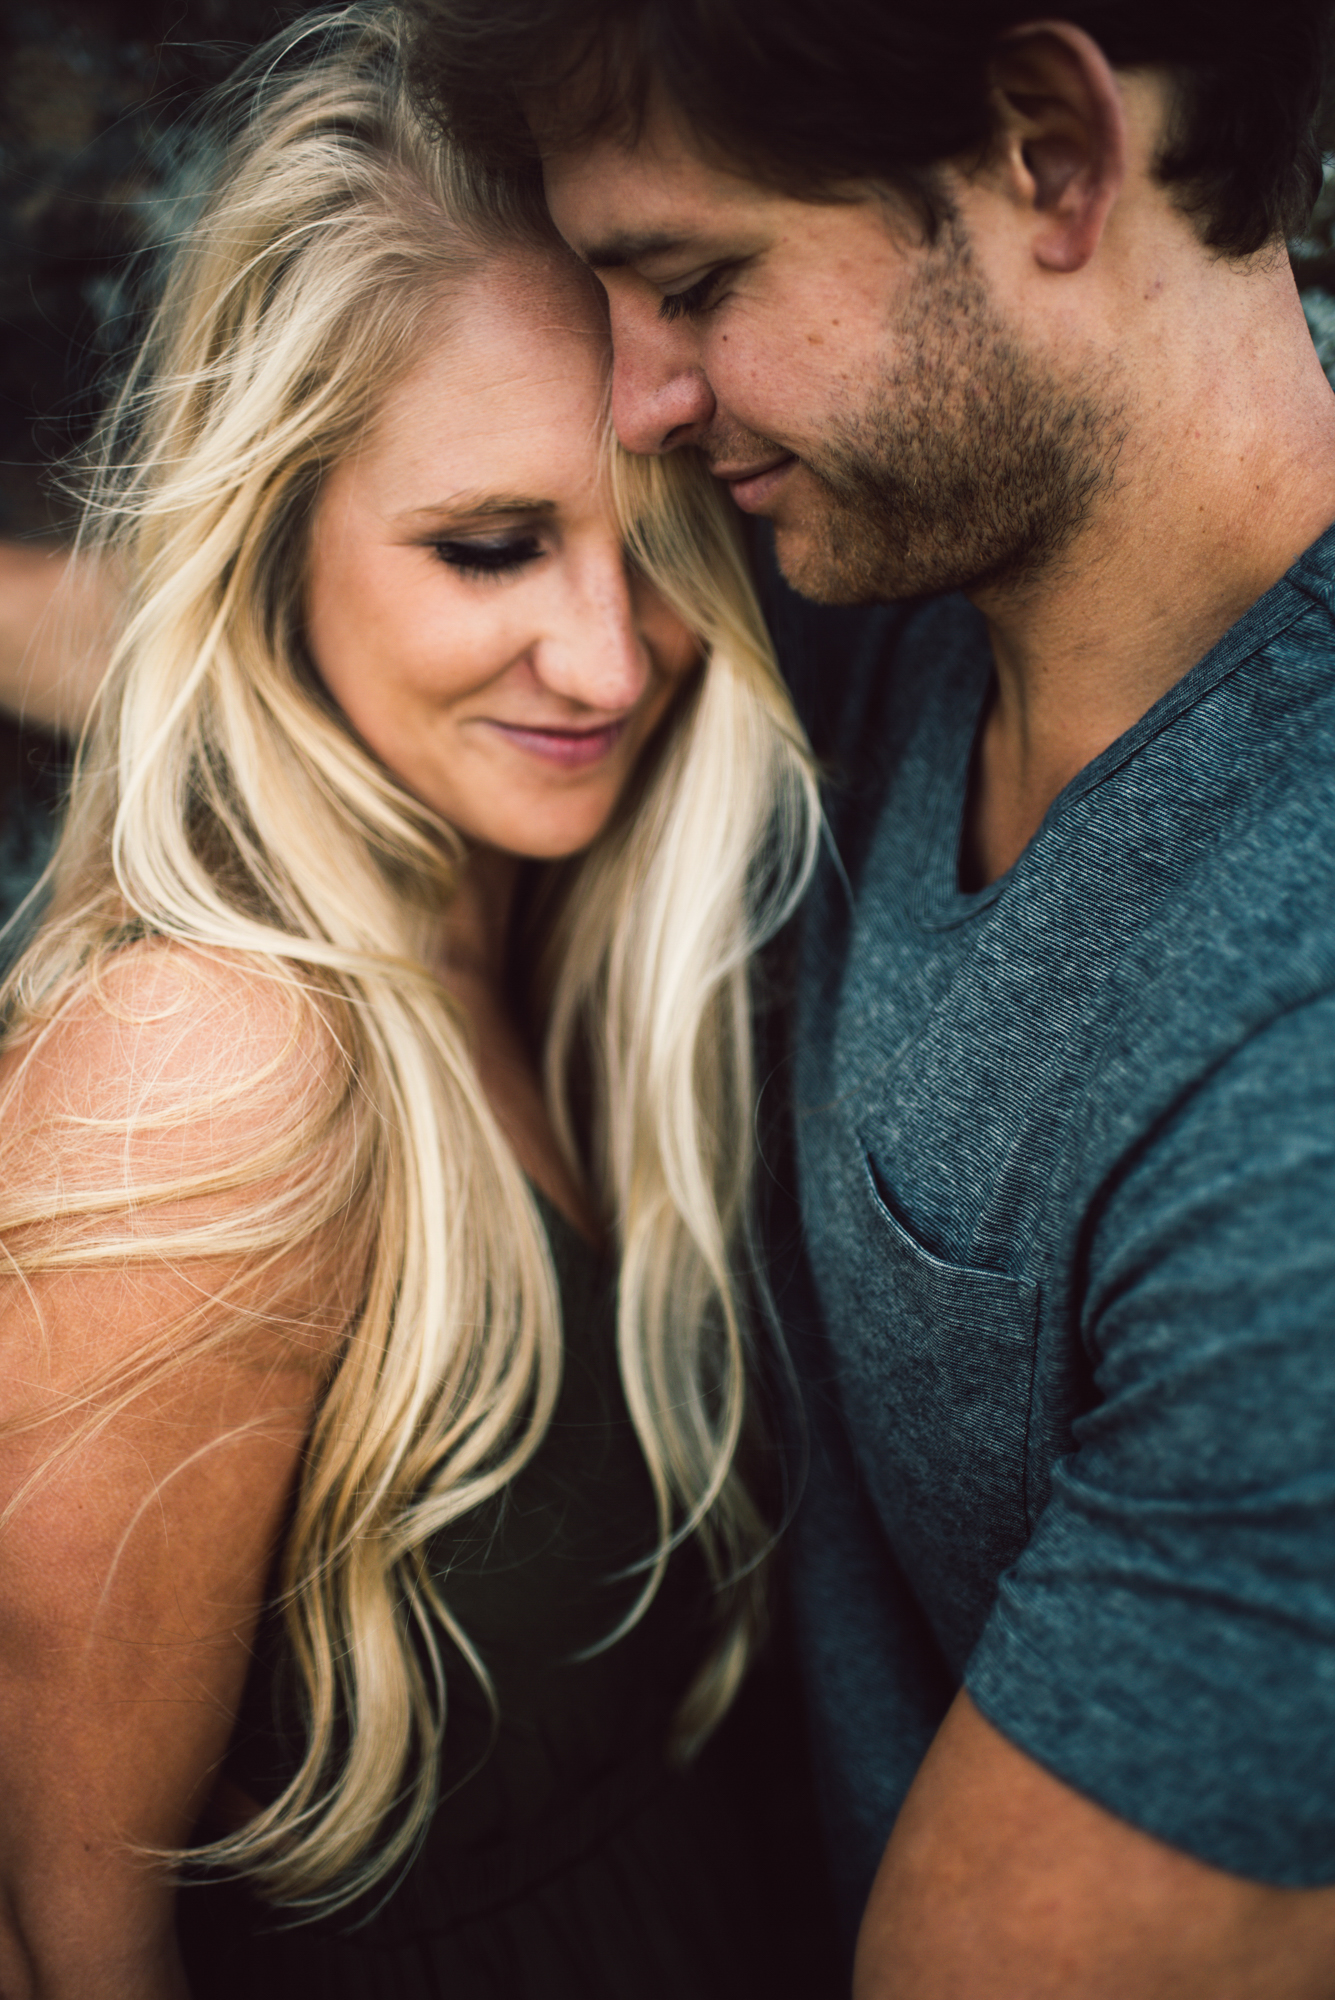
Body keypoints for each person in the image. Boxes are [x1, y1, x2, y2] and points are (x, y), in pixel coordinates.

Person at [411, 2, 1335, 1995]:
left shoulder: (1295, 1071)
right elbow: (352, 636)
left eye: (693, 281)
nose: (637, 396)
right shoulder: (907, 572)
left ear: (1043, 149)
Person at [0, 8, 844, 1995]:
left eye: (661, 552)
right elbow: (59, 1937)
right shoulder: (213, 1071)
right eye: (488, 549)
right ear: (273, 528)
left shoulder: (567, 951)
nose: (610, 664)